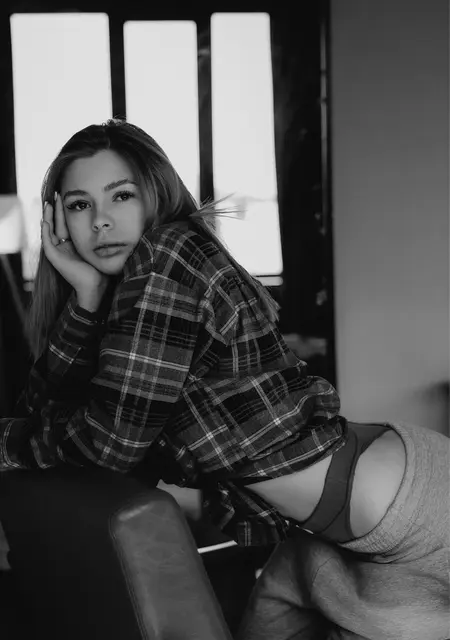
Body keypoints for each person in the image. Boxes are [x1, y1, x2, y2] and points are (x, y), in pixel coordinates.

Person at [0, 118, 448, 639]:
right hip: (328, 539)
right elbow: (48, 414)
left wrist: (6, 442)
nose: (101, 220)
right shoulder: (127, 302)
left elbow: (109, 443)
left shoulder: (168, 254)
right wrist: (87, 298)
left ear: (155, 195)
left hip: (415, 511)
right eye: (80, 205)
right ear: (57, 217)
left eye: (121, 195)